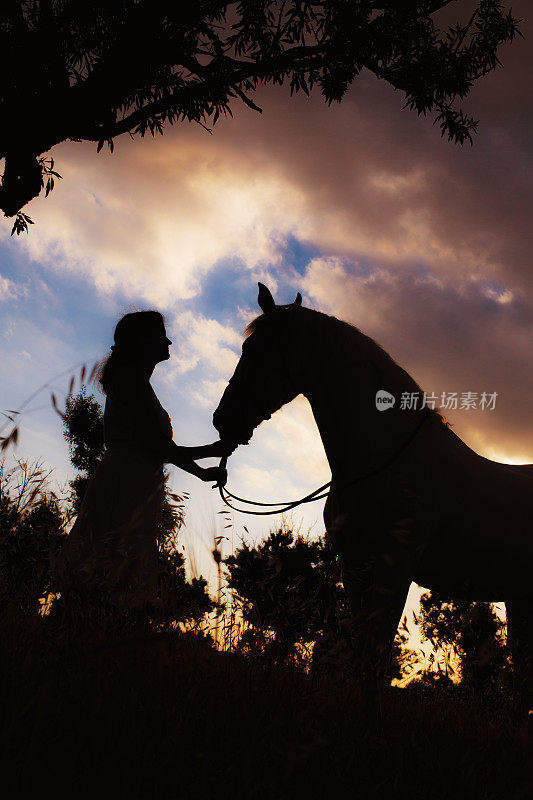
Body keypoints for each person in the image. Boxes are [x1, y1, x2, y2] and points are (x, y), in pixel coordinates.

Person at [54, 310, 233, 614]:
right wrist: (213, 450)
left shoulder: (135, 382)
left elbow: (159, 449)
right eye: (161, 335)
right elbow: (159, 446)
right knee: (108, 581)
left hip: (133, 486)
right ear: (142, 342)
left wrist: (203, 469)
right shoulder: (130, 381)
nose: (169, 341)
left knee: (112, 580)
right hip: (123, 485)